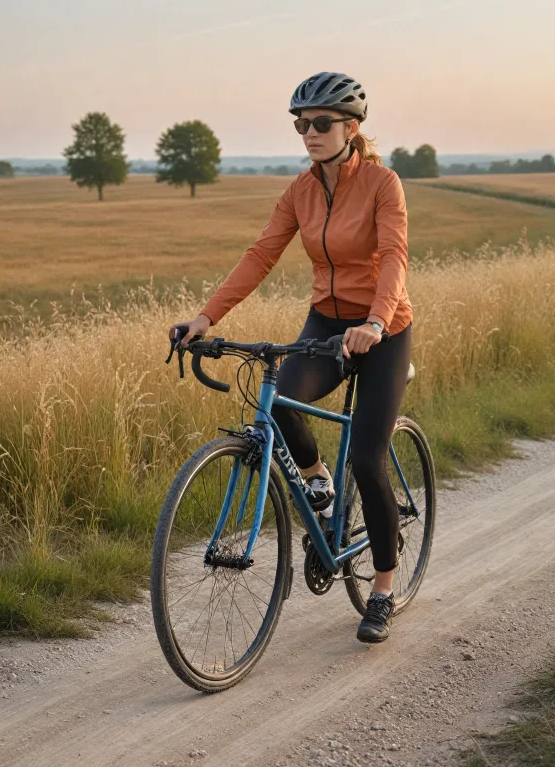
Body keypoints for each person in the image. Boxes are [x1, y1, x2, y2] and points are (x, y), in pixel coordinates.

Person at [172, 72, 413, 644]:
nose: (310, 132)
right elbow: (261, 254)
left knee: (368, 459)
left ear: (352, 128)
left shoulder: (383, 183)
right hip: (327, 323)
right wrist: (207, 317)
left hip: (383, 328)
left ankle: (382, 585)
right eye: (302, 123)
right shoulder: (299, 192)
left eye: (322, 123)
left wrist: (376, 323)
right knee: (277, 399)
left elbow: (393, 255)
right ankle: (316, 480)